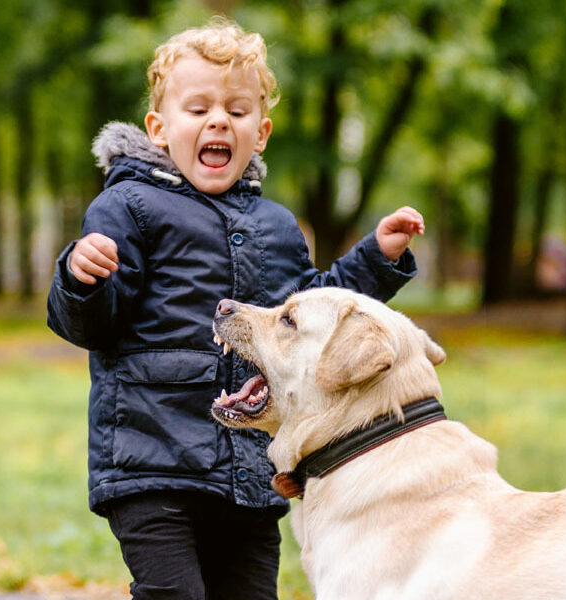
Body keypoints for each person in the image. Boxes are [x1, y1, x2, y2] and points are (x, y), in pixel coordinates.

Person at [46, 18, 425, 600]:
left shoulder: (276, 226)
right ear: (159, 128)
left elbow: (312, 320)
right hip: (154, 463)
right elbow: (94, 325)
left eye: (236, 111)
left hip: (250, 470)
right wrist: (81, 278)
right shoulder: (127, 207)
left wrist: (376, 257)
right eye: (197, 109)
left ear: (262, 132)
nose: (217, 120)